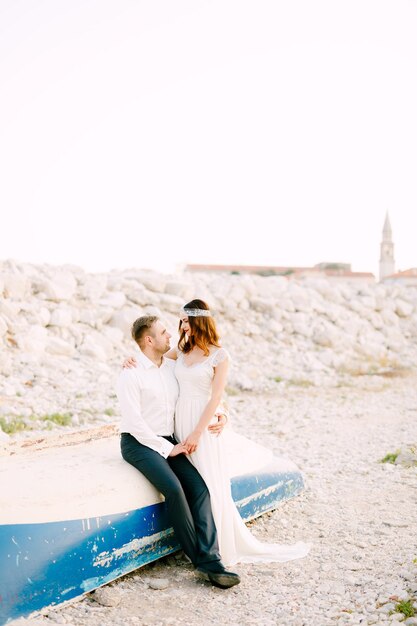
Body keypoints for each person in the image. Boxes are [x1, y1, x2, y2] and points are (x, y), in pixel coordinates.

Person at [124, 300, 310, 567]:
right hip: (179, 425)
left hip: (201, 426)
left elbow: (216, 395)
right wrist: (131, 358)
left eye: (186, 321)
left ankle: (219, 543)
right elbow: (153, 359)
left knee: (209, 482)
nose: (181, 327)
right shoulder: (181, 351)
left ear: (199, 321)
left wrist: (216, 419)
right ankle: (200, 543)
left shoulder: (220, 355)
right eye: (179, 322)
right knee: (191, 484)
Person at [116, 315, 240, 589]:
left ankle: (212, 556)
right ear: (149, 340)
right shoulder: (131, 373)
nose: (170, 335)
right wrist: (167, 449)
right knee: (174, 488)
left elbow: (202, 388)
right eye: (163, 332)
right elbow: (134, 422)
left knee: (199, 488)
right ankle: (204, 563)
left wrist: (222, 415)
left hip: (168, 440)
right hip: (138, 443)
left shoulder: (170, 367)